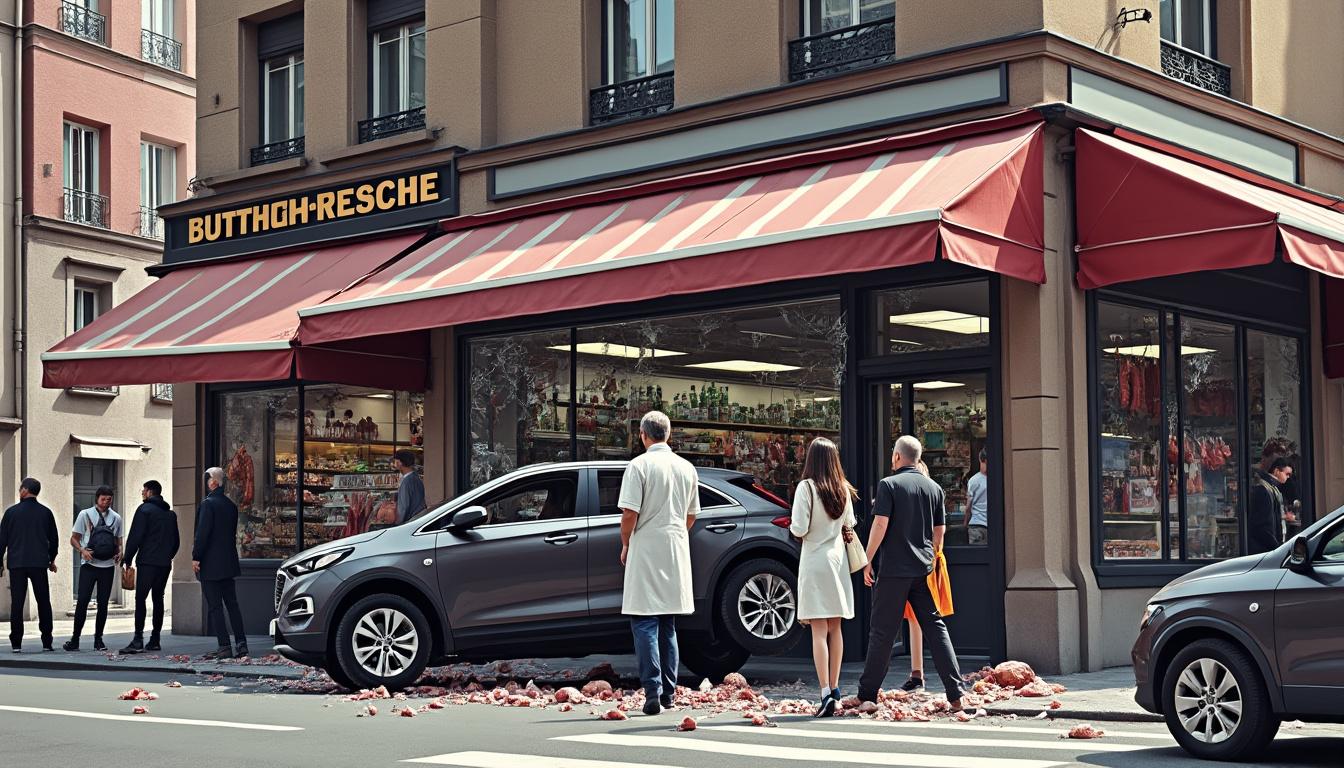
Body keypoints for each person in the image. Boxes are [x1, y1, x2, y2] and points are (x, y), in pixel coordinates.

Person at [858, 435, 964, 711]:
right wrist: (930, 554)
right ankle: (956, 694)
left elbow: (880, 525)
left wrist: (866, 560)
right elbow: (939, 531)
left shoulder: (888, 485)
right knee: (935, 627)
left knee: (882, 631)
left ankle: (867, 695)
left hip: (894, 570)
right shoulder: (934, 488)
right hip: (922, 570)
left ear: (896, 457)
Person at [618, 411, 698, 716]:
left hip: (646, 548)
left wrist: (626, 542)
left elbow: (629, 514)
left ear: (642, 435)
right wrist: (674, 532)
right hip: (676, 548)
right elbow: (692, 515)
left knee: (644, 621)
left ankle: (652, 690)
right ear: (669, 435)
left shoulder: (638, 466)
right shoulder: (686, 468)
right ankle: (669, 693)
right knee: (668, 624)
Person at [789, 437, 858, 718]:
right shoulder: (843, 488)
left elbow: (798, 527)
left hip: (815, 560)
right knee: (835, 628)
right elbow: (849, 525)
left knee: (818, 630)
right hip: (837, 561)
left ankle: (824, 691)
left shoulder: (806, 487)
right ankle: (837, 688)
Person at [194, 467, 248, 659]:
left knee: (215, 606)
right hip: (228, 562)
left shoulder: (208, 504)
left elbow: (202, 534)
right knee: (232, 604)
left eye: (207, 480)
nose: (206, 483)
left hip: (210, 563)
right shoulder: (231, 505)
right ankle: (241, 643)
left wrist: (196, 557)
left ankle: (224, 645)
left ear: (213, 482)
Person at [0, 478, 59, 652]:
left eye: (20, 489)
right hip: (39, 563)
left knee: (17, 603)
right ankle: (47, 642)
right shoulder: (46, 513)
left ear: (25, 490)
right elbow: (54, 540)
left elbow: (2, 541)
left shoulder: (11, 513)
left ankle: (16, 643)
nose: (20, 492)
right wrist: (51, 559)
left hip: (17, 563)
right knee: (43, 601)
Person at [120, 480, 179, 654]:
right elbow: (176, 542)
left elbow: (135, 536)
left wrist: (128, 558)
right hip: (164, 564)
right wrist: (167, 556)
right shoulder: (170, 514)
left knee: (141, 599)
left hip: (147, 562)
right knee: (158, 598)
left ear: (149, 492)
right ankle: (155, 639)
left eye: (144, 490)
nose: (142, 493)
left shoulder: (144, 510)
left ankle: (138, 639)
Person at [64, 485, 123, 652]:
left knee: (103, 604)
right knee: (82, 602)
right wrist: (82, 550)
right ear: (97, 499)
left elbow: (118, 541)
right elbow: (74, 538)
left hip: (107, 566)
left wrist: (120, 552)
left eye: (109, 499)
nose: (106, 502)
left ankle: (99, 639)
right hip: (89, 566)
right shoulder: (85, 514)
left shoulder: (116, 518)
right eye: (103, 499)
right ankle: (75, 639)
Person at [1249, 454, 1291, 555]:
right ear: (1277, 471)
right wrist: (1276, 547)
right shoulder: (1264, 489)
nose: (1288, 477)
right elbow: (1264, 524)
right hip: (1265, 549)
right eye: (1287, 473)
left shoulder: (1271, 488)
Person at [394, 449, 426, 524]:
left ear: (400, 463)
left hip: (410, 523)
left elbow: (403, 507)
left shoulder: (406, 482)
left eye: (396, 461)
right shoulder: (416, 477)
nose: (395, 464)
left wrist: (397, 525)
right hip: (419, 519)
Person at [966, 448, 989, 546]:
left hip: (976, 524)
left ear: (980, 459)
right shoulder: (999, 478)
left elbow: (968, 507)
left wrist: (965, 524)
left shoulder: (973, 480)